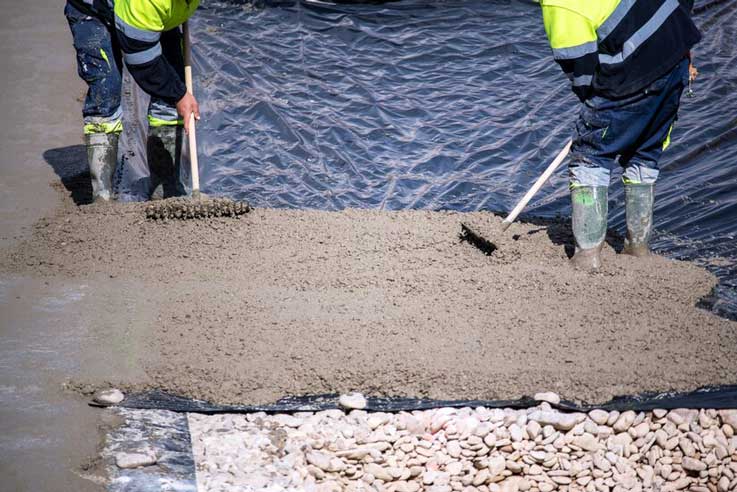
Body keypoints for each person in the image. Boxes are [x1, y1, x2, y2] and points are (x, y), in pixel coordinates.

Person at [539, 0, 701, 270]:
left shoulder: (560, 6)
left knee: (589, 155)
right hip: (675, 56)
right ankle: (638, 249)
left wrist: (597, 111)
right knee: (644, 149)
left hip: (636, 71)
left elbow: (581, 71)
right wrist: (682, 48)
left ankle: (587, 256)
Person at [64, 0, 200, 202]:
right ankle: (102, 196)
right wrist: (179, 95)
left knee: (173, 81)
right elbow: (143, 63)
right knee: (106, 89)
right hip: (94, 13)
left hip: (152, 16)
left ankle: (165, 187)